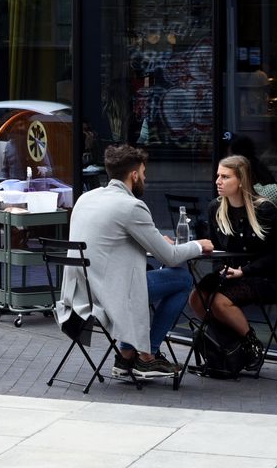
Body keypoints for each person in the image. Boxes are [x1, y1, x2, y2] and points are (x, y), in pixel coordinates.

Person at [55, 144, 213, 380]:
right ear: (134, 175)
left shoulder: (86, 198)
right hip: (111, 295)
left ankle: (126, 356)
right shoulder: (131, 206)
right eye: (144, 173)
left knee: (138, 283)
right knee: (182, 279)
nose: (145, 178)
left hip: (82, 294)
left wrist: (154, 241)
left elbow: (110, 241)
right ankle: (148, 356)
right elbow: (169, 257)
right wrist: (198, 245)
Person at [188, 155, 277, 371]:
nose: (218, 181)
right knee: (196, 299)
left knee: (219, 302)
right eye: (218, 175)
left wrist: (243, 271)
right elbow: (218, 250)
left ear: (241, 180)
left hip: (265, 276)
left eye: (225, 177)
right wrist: (221, 268)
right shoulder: (216, 208)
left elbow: (276, 256)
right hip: (231, 273)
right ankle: (229, 345)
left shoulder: (264, 209)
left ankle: (250, 344)